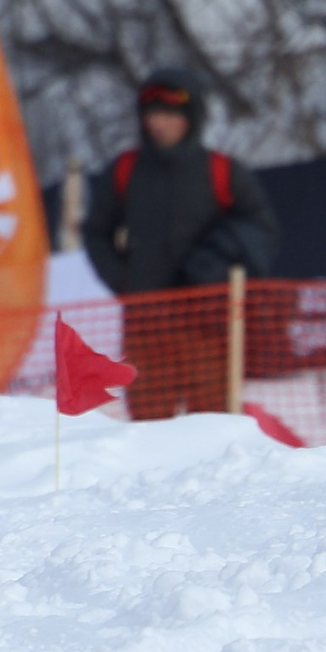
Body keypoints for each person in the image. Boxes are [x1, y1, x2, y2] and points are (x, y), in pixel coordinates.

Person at [84, 67, 280, 418]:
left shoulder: (222, 170)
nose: (159, 123)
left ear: (192, 117)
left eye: (171, 114)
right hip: (146, 322)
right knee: (149, 425)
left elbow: (261, 229)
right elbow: (95, 231)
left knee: (211, 425)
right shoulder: (125, 170)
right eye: (152, 113)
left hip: (207, 322)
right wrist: (123, 280)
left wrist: (214, 264)